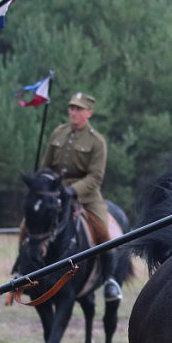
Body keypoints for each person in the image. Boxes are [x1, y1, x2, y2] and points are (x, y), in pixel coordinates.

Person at [40, 91, 122, 302]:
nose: (73, 112)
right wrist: (47, 184)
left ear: (89, 113)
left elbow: (96, 177)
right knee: (29, 224)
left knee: (105, 233)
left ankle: (110, 280)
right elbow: (46, 166)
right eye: (71, 108)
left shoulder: (97, 141)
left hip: (86, 195)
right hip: (56, 192)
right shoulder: (58, 133)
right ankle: (23, 270)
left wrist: (72, 191)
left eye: (78, 109)